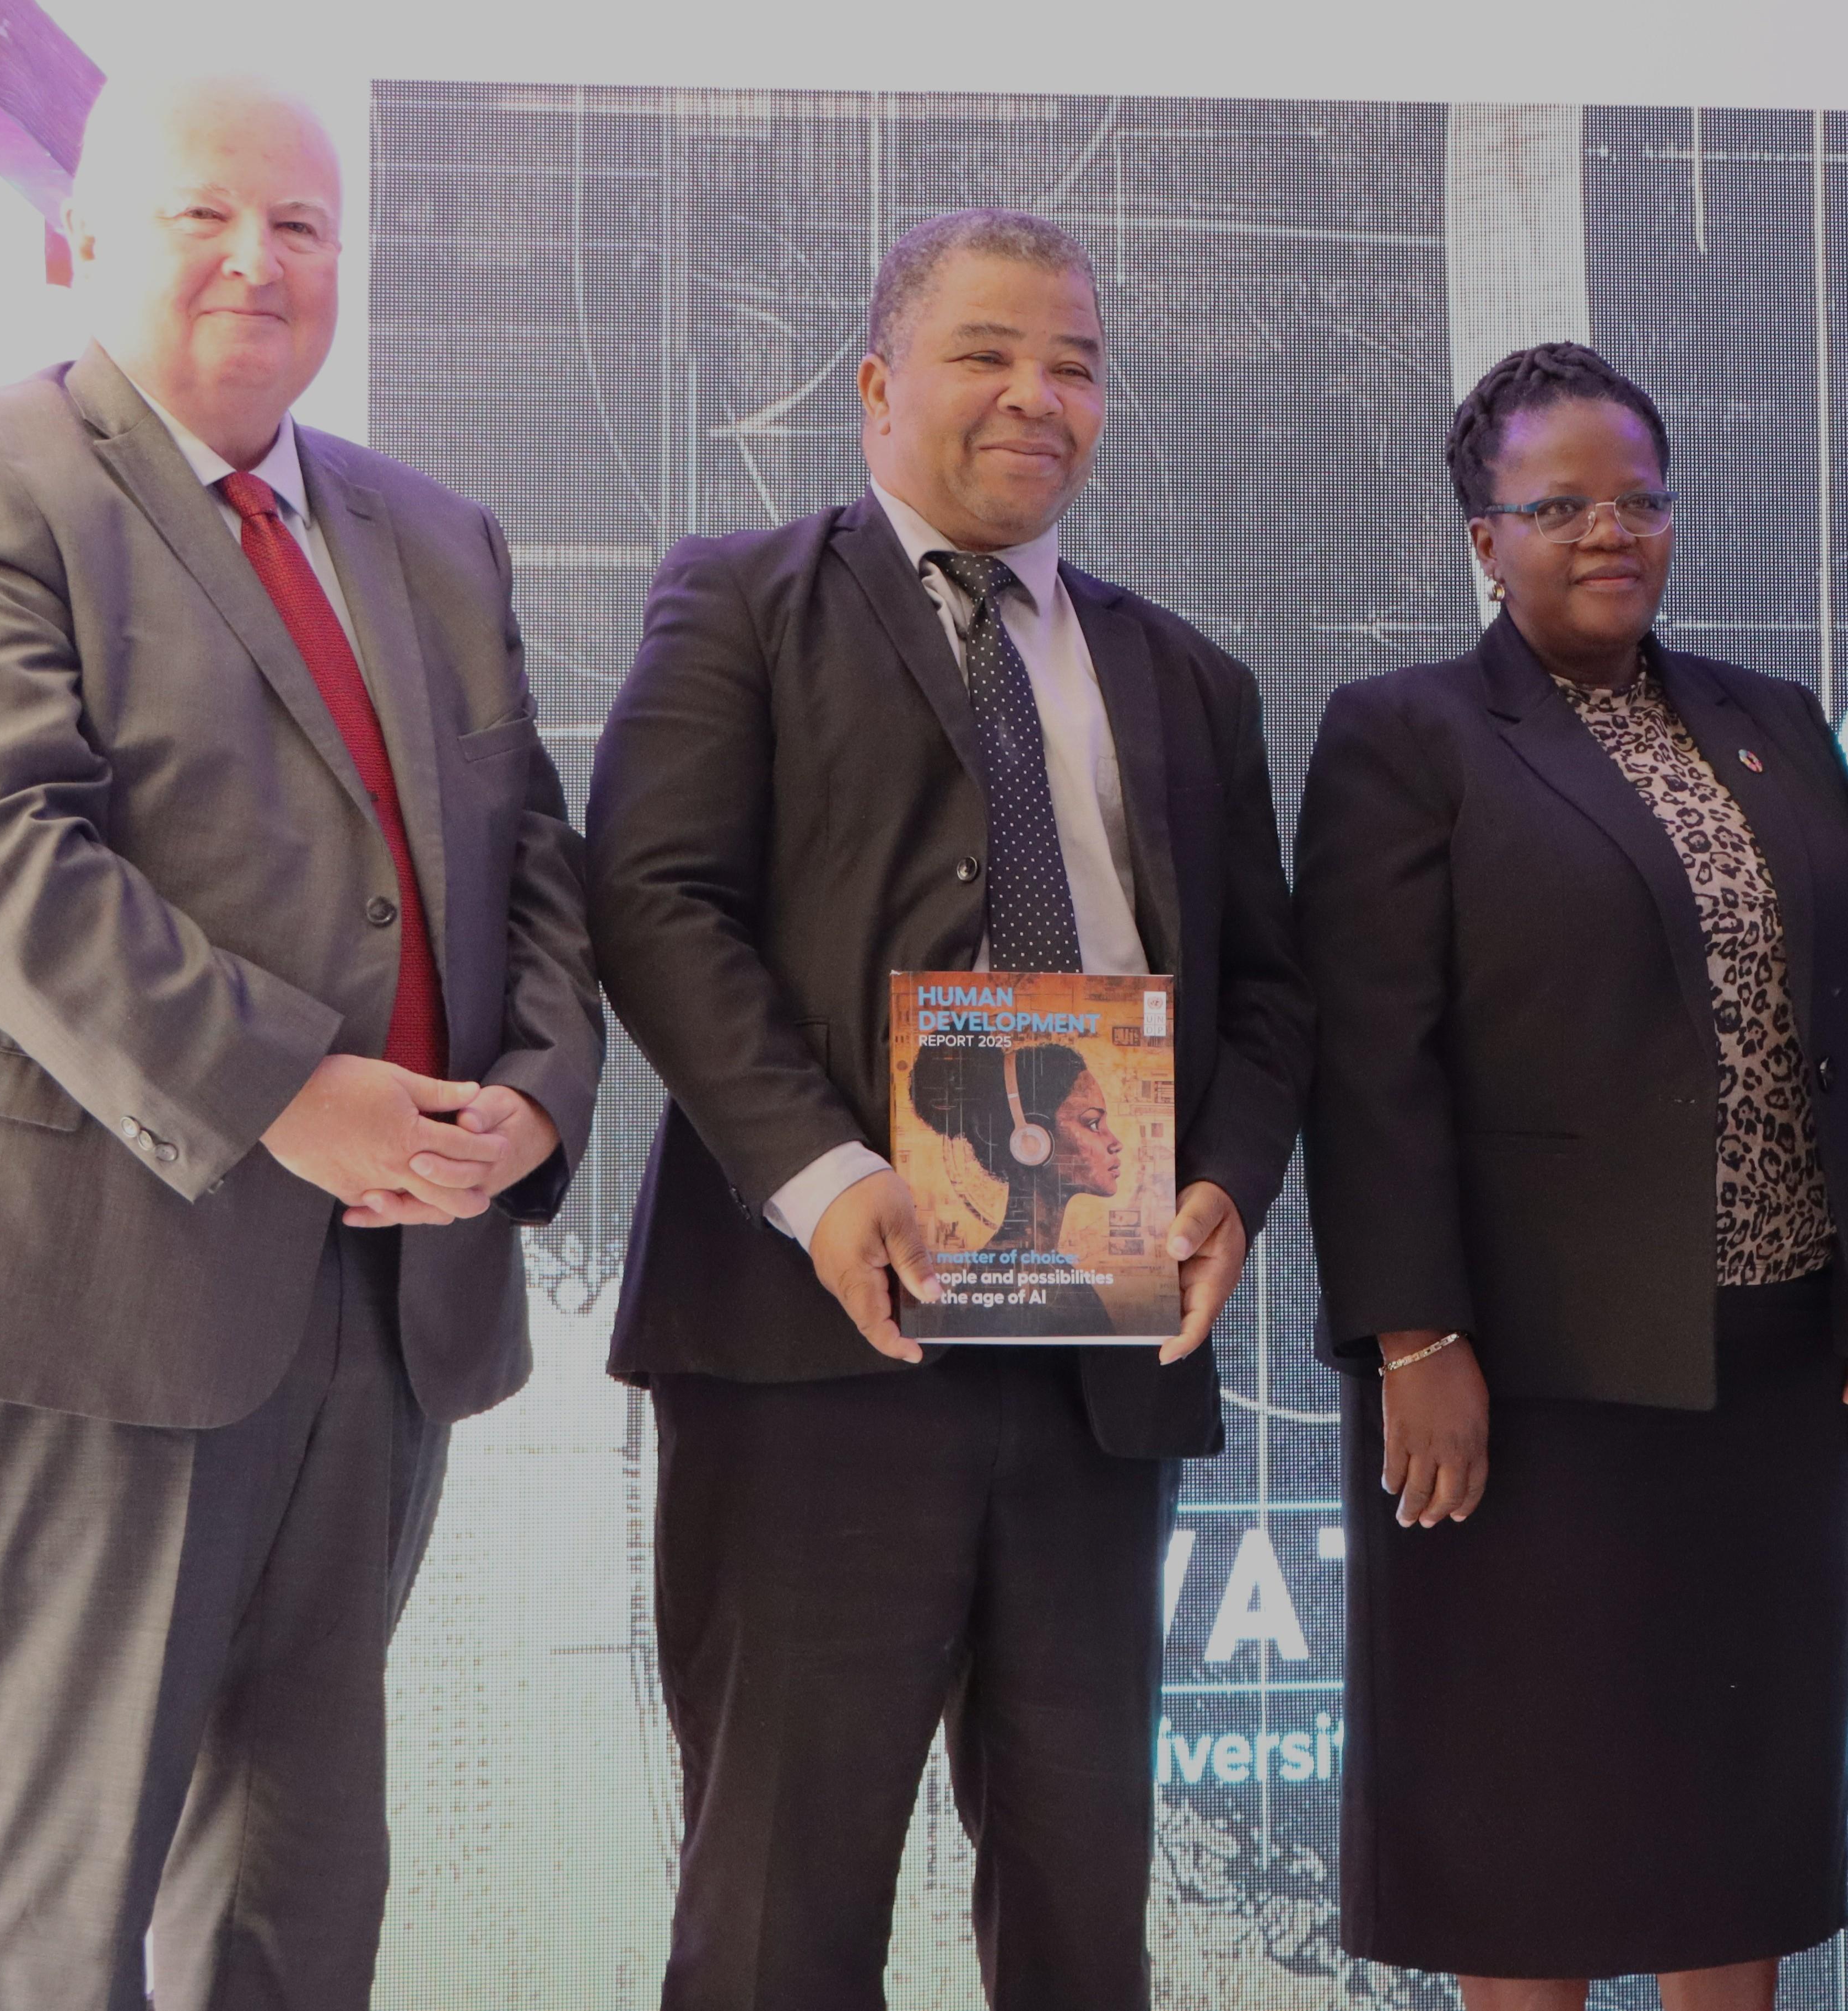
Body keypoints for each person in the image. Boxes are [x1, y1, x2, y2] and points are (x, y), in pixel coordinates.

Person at [0, 72, 604, 2011]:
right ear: (78, 244)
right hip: (99, 1289)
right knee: (56, 1875)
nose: (258, 260)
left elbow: (531, 858)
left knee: (301, 1873)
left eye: (302, 226)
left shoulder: (434, 536)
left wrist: (530, 1100)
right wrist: (289, 1090)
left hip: (391, 1291)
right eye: (204, 215)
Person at [585, 207, 1308, 2009]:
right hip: (819, 1350)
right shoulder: (742, 600)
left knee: (1083, 1915)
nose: (1037, 395)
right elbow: (653, 901)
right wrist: (824, 1181)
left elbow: (1276, 992)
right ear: (878, 384)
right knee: (781, 1910)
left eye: (1074, 362)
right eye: (988, 352)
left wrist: (1223, 1181)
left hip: (1101, 1355)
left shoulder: (1187, 677)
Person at [1297, 340, 1848, 2010]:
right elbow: (1371, 1064)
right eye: (1560, 503)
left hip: (1769, 1361)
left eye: (1639, 499)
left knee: (1732, 1810)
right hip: (1529, 1377)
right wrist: (1413, 1338)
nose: (1610, 531)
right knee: (1536, 1828)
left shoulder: (1774, 720)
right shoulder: (1406, 736)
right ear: (1480, 538)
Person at [903, 1041, 1126, 1338]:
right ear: (1031, 1141)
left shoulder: (1050, 1269)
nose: (1115, 1142)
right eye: (1094, 1123)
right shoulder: (1009, 1287)